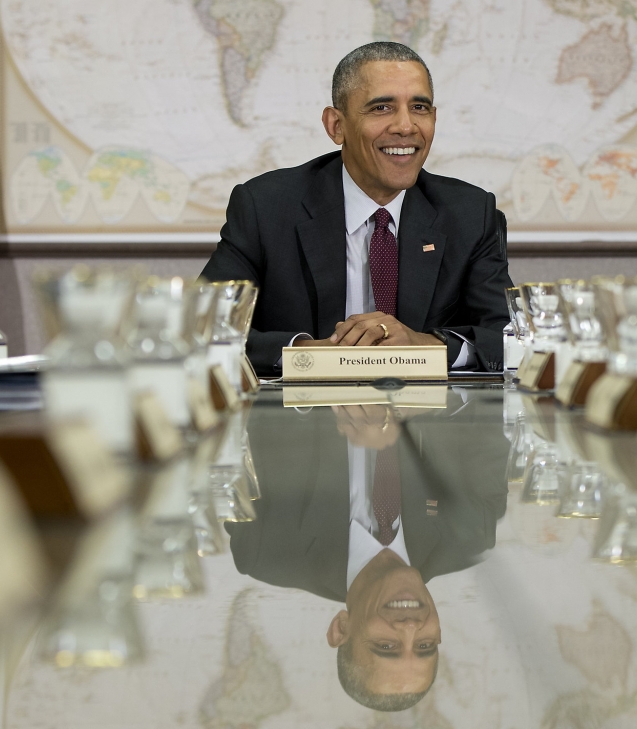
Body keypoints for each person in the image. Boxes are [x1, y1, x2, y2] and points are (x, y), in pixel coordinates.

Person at [201, 42, 512, 375]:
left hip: (427, 421)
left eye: (419, 107)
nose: (406, 126)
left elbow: (508, 338)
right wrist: (309, 353)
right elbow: (204, 327)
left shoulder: (470, 213)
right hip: (300, 420)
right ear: (336, 126)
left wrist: (421, 344)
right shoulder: (265, 208)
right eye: (382, 108)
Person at [225, 394, 508, 711]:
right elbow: (487, 391)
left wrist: (305, 358)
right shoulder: (470, 531)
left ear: (340, 629)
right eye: (426, 644)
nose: (411, 627)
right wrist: (433, 395)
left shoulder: (266, 549)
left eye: (386, 645)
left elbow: (229, 408)